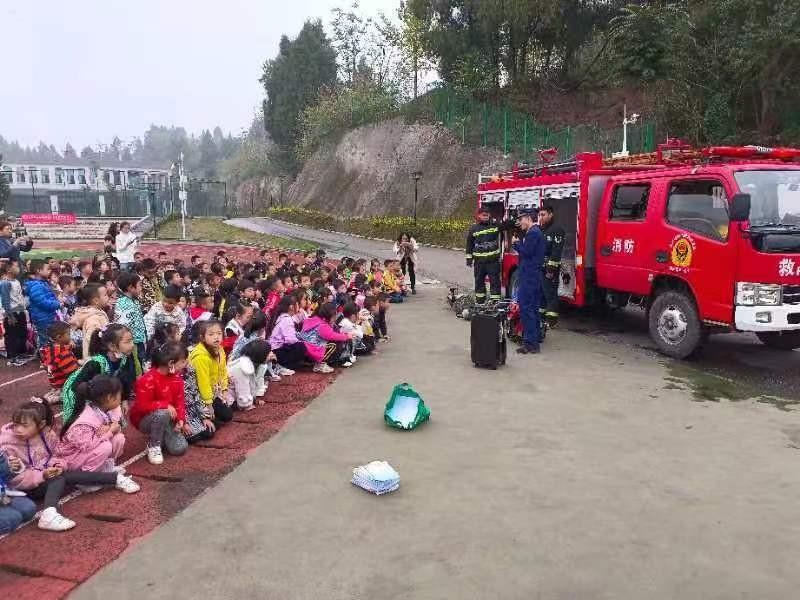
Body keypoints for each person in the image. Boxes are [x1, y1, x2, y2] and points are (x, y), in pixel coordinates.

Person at [0, 399, 138, 532]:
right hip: (22, 487)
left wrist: (57, 465)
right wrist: (42, 475)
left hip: (44, 477)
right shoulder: (8, 445)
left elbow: (57, 455)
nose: (18, 429)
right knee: (59, 479)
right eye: (16, 424)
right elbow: (14, 478)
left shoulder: (47, 434)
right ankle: (49, 514)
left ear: (41, 424)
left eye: (24, 425)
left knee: (62, 474)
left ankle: (115, 479)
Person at [61, 324, 136, 423]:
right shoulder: (96, 363)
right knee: (83, 422)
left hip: (102, 391)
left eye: (132, 340)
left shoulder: (126, 357)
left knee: (113, 419)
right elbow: (77, 386)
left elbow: (126, 380)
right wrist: (98, 403)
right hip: (79, 391)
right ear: (112, 346)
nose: (132, 344)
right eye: (127, 342)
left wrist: (124, 400)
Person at [131, 342, 190, 465]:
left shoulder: (177, 377)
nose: (186, 364)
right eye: (183, 361)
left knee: (179, 448)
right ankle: (154, 446)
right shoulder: (147, 379)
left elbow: (180, 400)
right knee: (162, 413)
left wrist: (181, 420)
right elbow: (142, 406)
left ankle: (160, 435)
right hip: (146, 419)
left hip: (168, 416)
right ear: (171, 364)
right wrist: (164, 405)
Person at [187, 319, 233, 427]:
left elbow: (223, 371)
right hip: (197, 395)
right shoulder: (201, 357)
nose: (216, 337)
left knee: (227, 415)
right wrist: (209, 404)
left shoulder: (219, 349)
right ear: (202, 337)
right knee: (220, 418)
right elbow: (203, 383)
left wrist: (224, 389)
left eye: (219, 333)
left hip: (214, 390)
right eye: (211, 334)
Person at [512, 209, 545, 355]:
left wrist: (516, 244)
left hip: (529, 276)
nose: (519, 223)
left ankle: (530, 344)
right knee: (534, 308)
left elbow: (526, 253)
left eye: (521, 219)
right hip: (534, 275)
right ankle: (535, 339)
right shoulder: (537, 232)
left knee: (526, 309)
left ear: (528, 218)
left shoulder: (533, 233)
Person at [299, 302, 354, 373]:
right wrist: (346, 336)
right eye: (334, 316)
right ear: (328, 316)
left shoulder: (313, 319)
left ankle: (316, 362)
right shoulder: (322, 326)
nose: (335, 318)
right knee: (335, 344)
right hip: (313, 350)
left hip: (307, 349)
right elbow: (333, 335)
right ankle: (320, 365)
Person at [465, 206, 502, 304]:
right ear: (479, 216)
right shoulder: (474, 229)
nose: (485, 217)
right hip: (479, 262)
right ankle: (480, 302)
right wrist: (469, 258)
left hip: (492, 262)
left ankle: (495, 302)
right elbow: (469, 244)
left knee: (495, 282)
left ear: (490, 215)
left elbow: (505, 226)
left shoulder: (495, 226)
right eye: (483, 215)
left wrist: (513, 222)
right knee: (479, 282)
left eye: (487, 215)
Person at [537, 206, 565, 328]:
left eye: (543, 215)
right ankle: (541, 317)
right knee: (541, 294)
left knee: (550, 294)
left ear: (550, 214)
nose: (541, 218)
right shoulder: (541, 230)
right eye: (540, 215)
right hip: (540, 268)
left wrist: (551, 269)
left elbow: (556, 251)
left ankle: (551, 320)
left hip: (550, 269)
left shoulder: (557, 230)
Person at [114, 272, 147, 373]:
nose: (141, 288)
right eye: (139, 285)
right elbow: (124, 325)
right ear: (130, 288)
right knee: (137, 368)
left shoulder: (133, 300)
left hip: (138, 341)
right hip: (133, 343)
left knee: (140, 364)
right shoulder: (124, 304)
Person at [39, 322, 80, 404]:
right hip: (64, 383)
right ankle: (61, 396)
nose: (70, 336)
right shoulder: (63, 354)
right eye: (68, 334)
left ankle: (56, 392)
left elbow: (46, 367)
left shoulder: (47, 350)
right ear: (59, 337)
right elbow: (73, 374)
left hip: (55, 383)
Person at [226, 339, 272, 410]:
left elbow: (252, 384)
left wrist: (253, 399)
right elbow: (242, 387)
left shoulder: (255, 365)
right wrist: (246, 404)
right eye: (268, 353)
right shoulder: (242, 367)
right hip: (228, 398)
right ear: (260, 354)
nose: (271, 354)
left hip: (234, 396)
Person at [25, 259, 61, 348]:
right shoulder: (36, 286)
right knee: (45, 340)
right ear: (39, 271)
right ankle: (45, 359)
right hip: (42, 318)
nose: (50, 271)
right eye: (47, 269)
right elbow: (42, 302)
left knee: (48, 339)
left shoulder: (42, 283)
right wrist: (57, 304)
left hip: (47, 316)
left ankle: (48, 356)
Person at [0, 259, 30, 365]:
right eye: (16, 266)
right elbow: (5, 301)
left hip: (20, 311)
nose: (19, 268)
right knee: (12, 335)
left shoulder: (16, 281)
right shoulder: (5, 283)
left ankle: (20, 354)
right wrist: (9, 316)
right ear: (8, 269)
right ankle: (12, 357)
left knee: (22, 333)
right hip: (12, 313)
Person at [70, 283, 110, 360]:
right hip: (97, 358)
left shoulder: (98, 312)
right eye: (105, 295)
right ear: (96, 300)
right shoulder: (93, 319)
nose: (108, 297)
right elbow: (92, 342)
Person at [268, 295, 309, 371]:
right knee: (301, 346)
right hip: (277, 351)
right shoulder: (287, 319)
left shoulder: (282, 317)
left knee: (301, 344)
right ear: (291, 307)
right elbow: (290, 340)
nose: (298, 307)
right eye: (297, 304)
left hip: (274, 349)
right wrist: (302, 342)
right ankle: (284, 365)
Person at [0, 453, 37, 535]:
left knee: (29, 509)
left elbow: (3, 474)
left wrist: (12, 468)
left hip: (3, 492)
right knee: (12, 519)